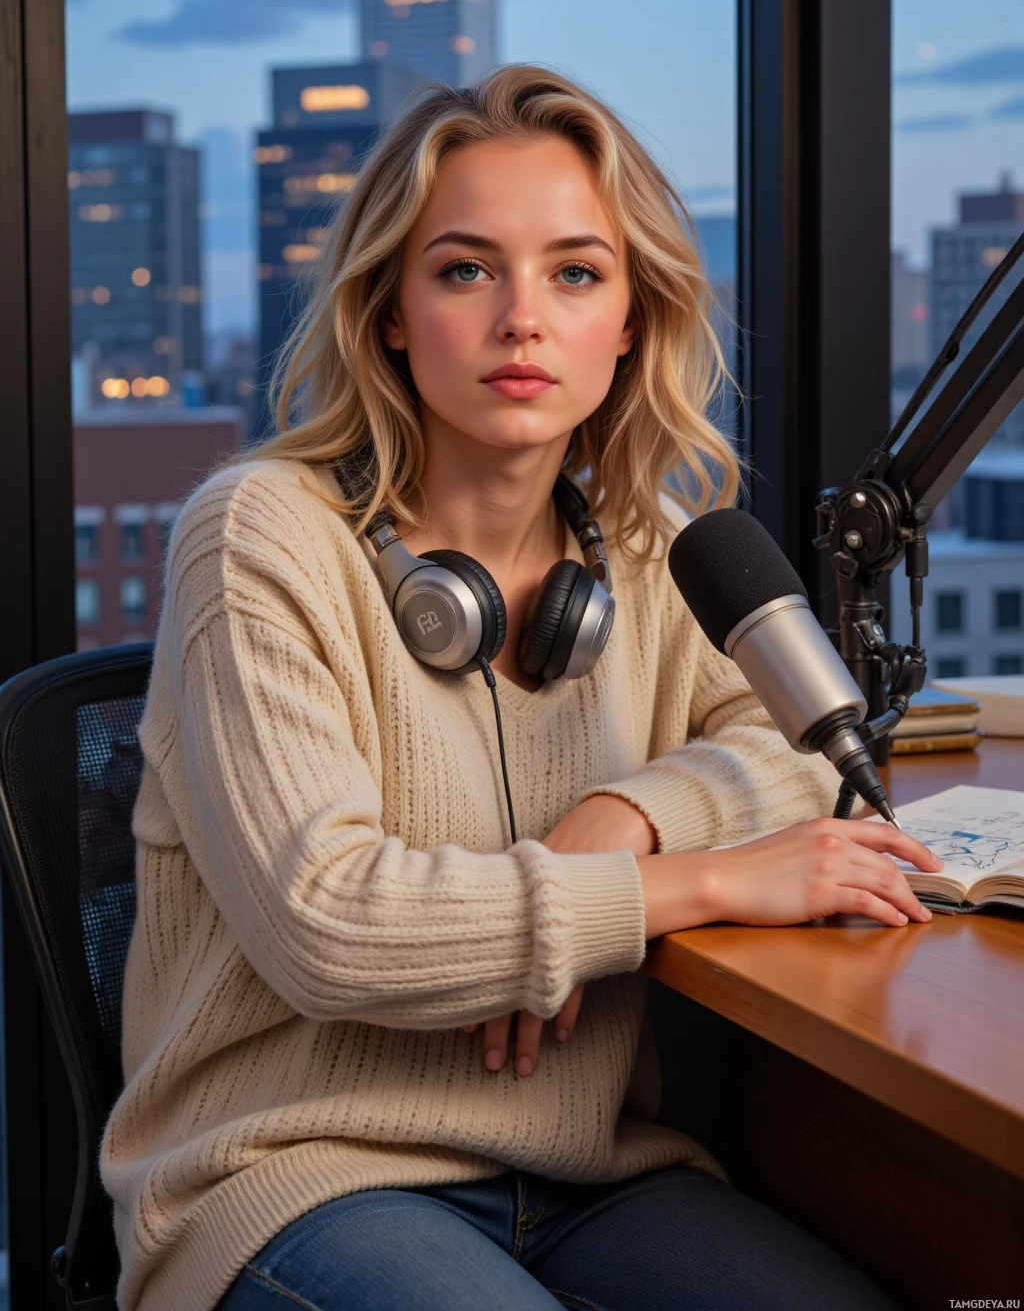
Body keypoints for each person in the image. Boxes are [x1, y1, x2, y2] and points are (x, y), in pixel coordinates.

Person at [102, 65, 942, 1311]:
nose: (521, 318)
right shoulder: (259, 534)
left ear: (630, 319)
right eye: (463, 269)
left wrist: (634, 812)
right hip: (297, 1173)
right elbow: (330, 927)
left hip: (587, 1171)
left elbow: (808, 748)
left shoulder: (649, 546)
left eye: (574, 272)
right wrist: (686, 879)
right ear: (389, 310)